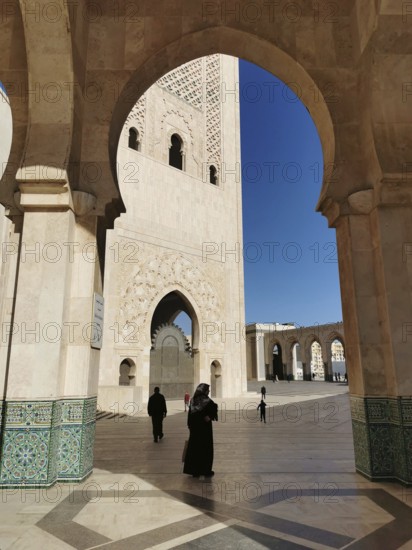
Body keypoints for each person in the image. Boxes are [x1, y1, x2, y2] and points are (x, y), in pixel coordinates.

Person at [183, 383, 218, 478]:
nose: (209, 391)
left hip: (195, 429)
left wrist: (189, 425)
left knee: (195, 449)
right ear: (204, 391)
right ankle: (206, 470)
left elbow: (190, 415)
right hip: (204, 429)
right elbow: (214, 407)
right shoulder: (206, 400)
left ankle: (195, 471)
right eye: (207, 390)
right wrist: (209, 416)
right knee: (205, 448)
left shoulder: (193, 400)